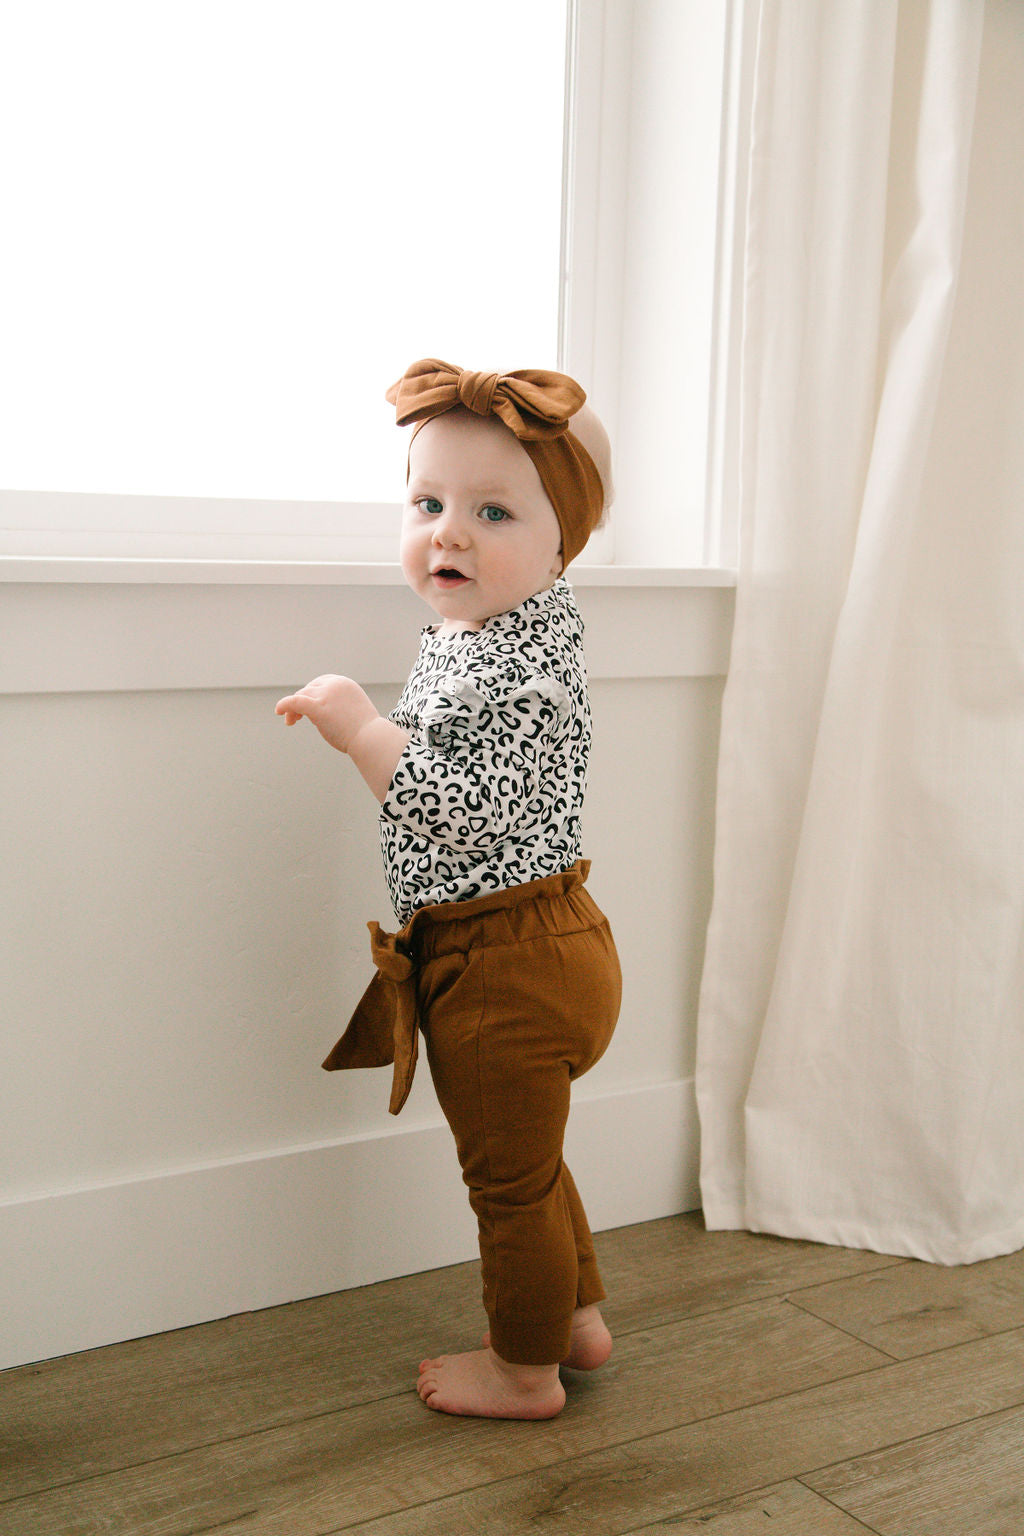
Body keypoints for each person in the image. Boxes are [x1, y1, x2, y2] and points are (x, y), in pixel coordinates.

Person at [275, 358, 622, 1419]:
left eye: (492, 511)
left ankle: (523, 1372)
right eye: (427, 504)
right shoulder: (510, 629)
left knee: (506, 1183)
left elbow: (448, 805)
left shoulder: (503, 666)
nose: (448, 533)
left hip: (508, 962)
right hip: (541, 938)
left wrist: (356, 724)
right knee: (536, 1155)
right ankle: (574, 1322)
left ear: (563, 543)